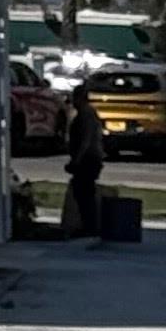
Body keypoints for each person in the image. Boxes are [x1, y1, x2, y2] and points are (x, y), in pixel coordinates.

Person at [60, 84, 107, 239]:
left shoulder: (86, 115)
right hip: (90, 158)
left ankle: (89, 226)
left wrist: (77, 160)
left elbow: (85, 140)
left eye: (74, 98)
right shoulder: (87, 113)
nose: (72, 101)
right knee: (83, 192)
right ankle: (88, 225)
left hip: (88, 159)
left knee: (84, 193)